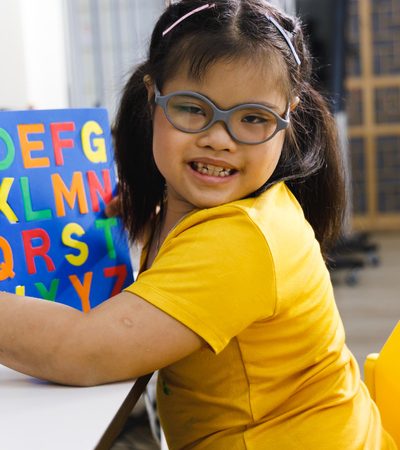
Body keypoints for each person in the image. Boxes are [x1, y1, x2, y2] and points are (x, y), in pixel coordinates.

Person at [0, 1, 396, 449]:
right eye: (192, 108)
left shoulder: (241, 240)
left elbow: (82, 351)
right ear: (154, 97)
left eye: (253, 119)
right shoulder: (209, 208)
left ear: (288, 118)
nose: (218, 139)